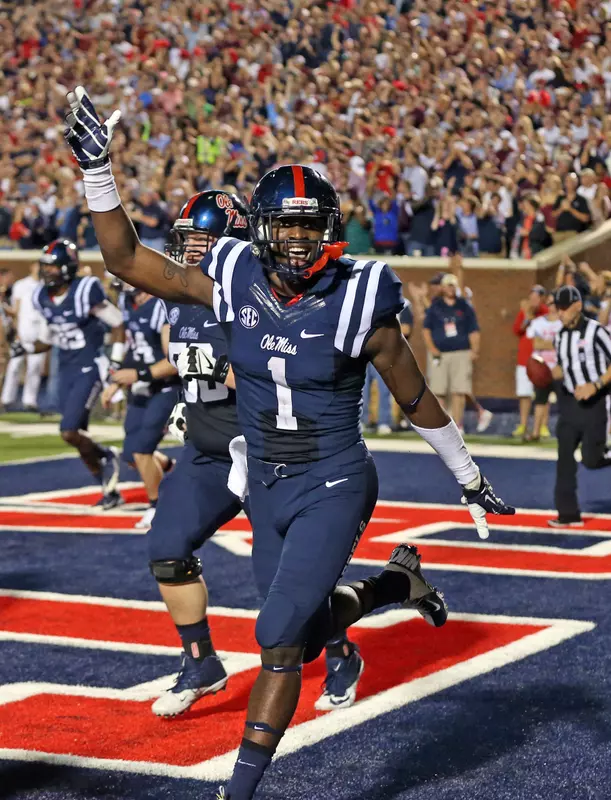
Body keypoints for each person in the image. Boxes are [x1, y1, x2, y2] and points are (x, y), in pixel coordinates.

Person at [64, 86, 514, 800]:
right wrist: (96, 170)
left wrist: (466, 472)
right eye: (288, 226)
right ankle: (395, 583)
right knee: (300, 641)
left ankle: (236, 791)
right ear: (262, 229)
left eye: (312, 227)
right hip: (265, 480)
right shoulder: (233, 274)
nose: (299, 240)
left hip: (330, 478)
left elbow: (413, 395)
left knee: (274, 638)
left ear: (331, 229)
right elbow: (126, 260)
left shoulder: (360, 295)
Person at [149, 191, 363, 717]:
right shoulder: (177, 295)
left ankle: (339, 654)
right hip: (205, 451)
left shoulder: (255, 290)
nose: (191, 248)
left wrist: (205, 369)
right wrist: (186, 395)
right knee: (167, 550)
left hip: (264, 455)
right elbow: (174, 354)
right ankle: (201, 663)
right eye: (188, 237)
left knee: (284, 595)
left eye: (203, 238)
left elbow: (269, 371)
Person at [7, 239, 124, 508]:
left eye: (53, 268)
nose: (48, 273)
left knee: (69, 431)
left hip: (90, 366)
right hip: (67, 369)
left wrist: (115, 364)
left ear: (67, 269)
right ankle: (108, 487)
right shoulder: (40, 297)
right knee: (76, 436)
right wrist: (23, 347)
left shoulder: (86, 290)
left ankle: (106, 456)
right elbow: (50, 336)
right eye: (45, 267)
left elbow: (117, 325)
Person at [101, 285, 179, 527]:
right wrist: (117, 382)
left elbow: (175, 359)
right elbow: (134, 349)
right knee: (130, 453)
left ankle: (158, 506)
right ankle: (170, 467)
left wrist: (138, 374)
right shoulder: (128, 303)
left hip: (166, 387)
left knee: (141, 450)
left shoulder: (161, 306)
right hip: (142, 386)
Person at [550, 286, 611, 527]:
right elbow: (564, 367)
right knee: (564, 458)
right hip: (569, 404)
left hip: (594, 404)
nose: (561, 313)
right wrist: (553, 373)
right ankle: (568, 513)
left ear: (577, 306)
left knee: (591, 459)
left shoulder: (596, 331)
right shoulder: (560, 336)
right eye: (557, 308)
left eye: (564, 308)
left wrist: (595, 385)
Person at [422, 273, 480, 433]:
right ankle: (442, 425)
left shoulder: (464, 306)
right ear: (442, 287)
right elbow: (426, 329)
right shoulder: (435, 306)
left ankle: (457, 424)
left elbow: (474, 330)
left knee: (459, 390)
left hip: (461, 352)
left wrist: (475, 350)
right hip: (440, 353)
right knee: (438, 390)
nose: (450, 288)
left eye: (453, 285)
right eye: (447, 285)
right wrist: (432, 348)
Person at [0, 262, 45, 411]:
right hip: (23, 330)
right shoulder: (21, 285)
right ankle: (6, 399)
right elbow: (16, 311)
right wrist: (16, 331)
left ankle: (30, 401)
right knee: (14, 366)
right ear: (32, 267)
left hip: (40, 332)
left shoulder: (46, 285)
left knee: (35, 367)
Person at [511, 286, 548, 439]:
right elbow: (517, 330)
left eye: (537, 297)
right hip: (524, 359)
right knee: (524, 394)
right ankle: (523, 424)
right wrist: (526, 315)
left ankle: (543, 425)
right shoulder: (524, 312)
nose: (534, 300)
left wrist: (530, 314)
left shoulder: (546, 312)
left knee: (542, 394)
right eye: (532, 297)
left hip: (541, 359)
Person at [525, 294, 562, 441]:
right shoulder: (539, 322)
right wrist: (553, 343)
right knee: (540, 400)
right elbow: (536, 344)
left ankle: (568, 433)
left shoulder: (564, 322)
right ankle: (536, 432)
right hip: (542, 367)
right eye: (550, 303)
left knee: (565, 402)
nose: (552, 306)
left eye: (554, 303)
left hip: (560, 368)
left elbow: (563, 344)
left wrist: (545, 342)